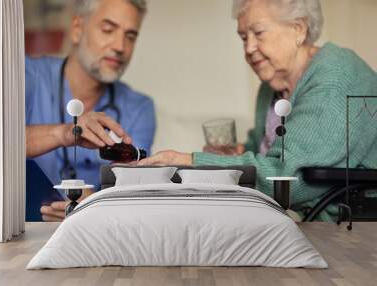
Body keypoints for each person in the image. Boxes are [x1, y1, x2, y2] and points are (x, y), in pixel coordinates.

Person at [137, 0, 377, 221]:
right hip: (300, 220)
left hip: (348, 231)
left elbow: (287, 177)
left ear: (298, 29)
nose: (249, 48)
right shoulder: (271, 88)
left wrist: (191, 162)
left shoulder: (335, 76)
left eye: (258, 33)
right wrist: (232, 154)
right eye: (243, 37)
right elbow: (263, 151)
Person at [26, 0, 156, 221]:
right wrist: (65, 133)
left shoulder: (139, 108)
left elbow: (130, 193)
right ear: (77, 29)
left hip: (94, 232)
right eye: (108, 29)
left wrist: (91, 207)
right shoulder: (26, 75)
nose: (120, 46)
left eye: (130, 36)